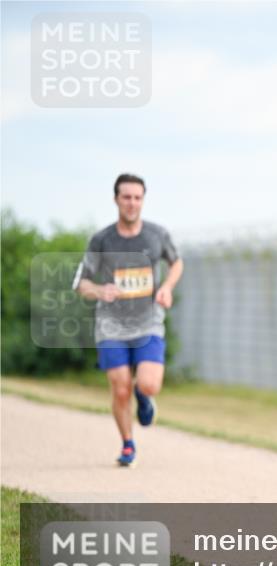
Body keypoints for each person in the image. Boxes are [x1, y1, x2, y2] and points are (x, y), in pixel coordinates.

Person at [74, 173, 183, 467]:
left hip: (148, 322)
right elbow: (80, 283)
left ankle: (143, 396)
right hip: (111, 325)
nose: (132, 203)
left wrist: (166, 288)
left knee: (149, 384)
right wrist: (99, 289)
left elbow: (176, 263)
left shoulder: (157, 235)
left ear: (143, 200)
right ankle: (127, 444)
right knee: (119, 388)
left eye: (137, 197)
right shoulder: (101, 239)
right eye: (126, 197)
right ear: (116, 200)